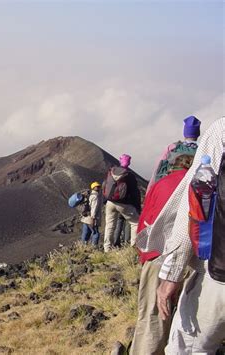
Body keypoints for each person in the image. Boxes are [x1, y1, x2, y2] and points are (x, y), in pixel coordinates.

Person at [154, 117, 225, 354]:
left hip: (219, 275)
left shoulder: (220, 133)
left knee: (189, 348)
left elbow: (193, 208)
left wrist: (171, 274)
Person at [131, 158, 192, 354]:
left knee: (153, 315)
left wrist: (143, 255)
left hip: (157, 256)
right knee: (188, 317)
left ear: (172, 168)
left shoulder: (160, 185)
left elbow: (144, 221)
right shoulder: (200, 182)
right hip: (192, 259)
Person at [146, 115, 201, 193]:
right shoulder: (202, 149)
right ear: (198, 133)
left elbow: (157, 170)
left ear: (184, 132)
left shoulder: (172, 147)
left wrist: (149, 192)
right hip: (193, 189)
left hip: (170, 188)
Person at [103, 154, 141, 252]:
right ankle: (134, 247)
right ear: (128, 162)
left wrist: (105, 200)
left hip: (110, 202)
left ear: (120, 161)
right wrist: (137, 207)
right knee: (135, 223)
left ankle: (107, 248)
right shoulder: (129, 175)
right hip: (124, 203)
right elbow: (135, 192)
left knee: (110, 225)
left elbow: (105, 185)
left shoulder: (111, 171)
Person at [80, 181, 103, 246]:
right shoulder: (96, 196)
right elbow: (94, 208)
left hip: (85, 217)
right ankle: (94, 247)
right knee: (96, 233)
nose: (99, 187)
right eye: (97, 187)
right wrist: (93, 218)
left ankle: (83, 246)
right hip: (92, 218)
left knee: (86, 232)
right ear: (94, 188)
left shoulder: (90, 195)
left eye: (99, 186)